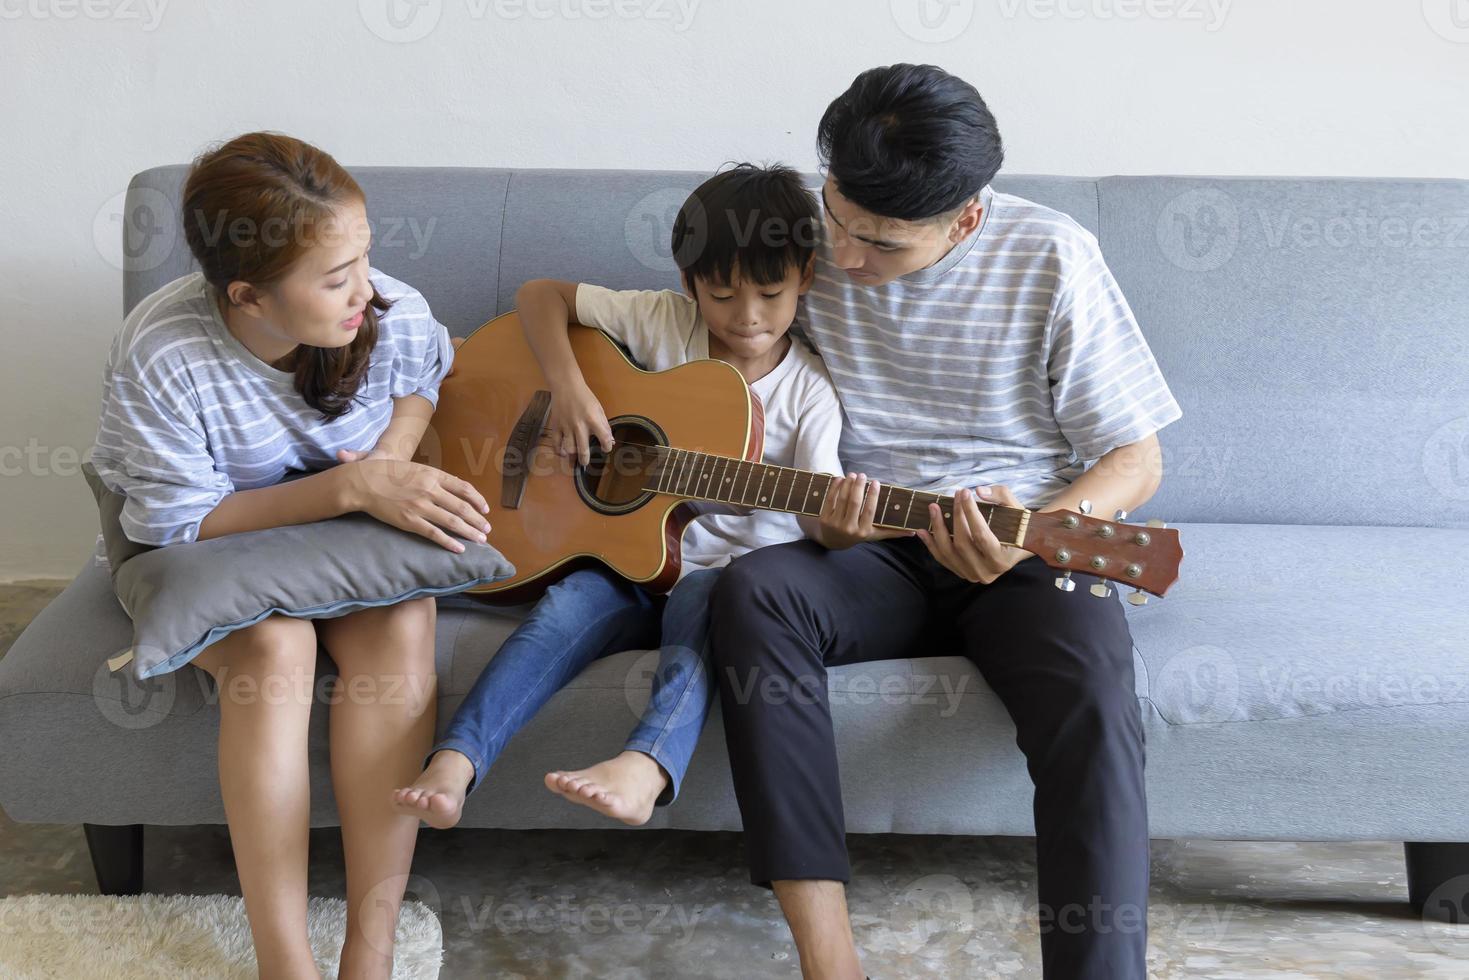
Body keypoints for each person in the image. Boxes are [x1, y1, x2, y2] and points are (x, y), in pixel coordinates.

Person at [709, 65, 1183, 980]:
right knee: (753, 592)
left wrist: (1040, 524)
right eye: (836, 218)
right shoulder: (798, 238)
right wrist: (827, 520)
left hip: (1024, 544)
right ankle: (828, 957)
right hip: (870, 547)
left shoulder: (1051, 255)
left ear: (966, 218)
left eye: (882, 245)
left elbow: (1136, 462)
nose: (843, 260)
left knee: (1091, 691)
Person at [86, 132, 490, 980]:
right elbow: (182, 525)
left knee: (400, 617)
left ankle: (369, 955)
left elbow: (422, 379)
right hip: (200, 535)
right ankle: (285, 965)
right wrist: (353, 491)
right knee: (275, 645)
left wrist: (389, 459)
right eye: (335, 277)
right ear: (249, 298)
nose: (364, 291)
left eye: (364, 259)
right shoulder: (164, 352)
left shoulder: (387, 311)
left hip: (337, 528)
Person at [391, 163, 865, 830]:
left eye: (769, 292)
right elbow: (539, 296)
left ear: (805, 279)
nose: (748, 316)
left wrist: (843, 527)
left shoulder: (809, 390)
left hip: (717, 581)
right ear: (688, 284)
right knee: (558, 613)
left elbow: (819, 520)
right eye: (723, 295)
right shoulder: (661, 322)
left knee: (714, 602)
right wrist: (569, 390)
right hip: (618, 569)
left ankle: (644, 766)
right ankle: (455, 763)